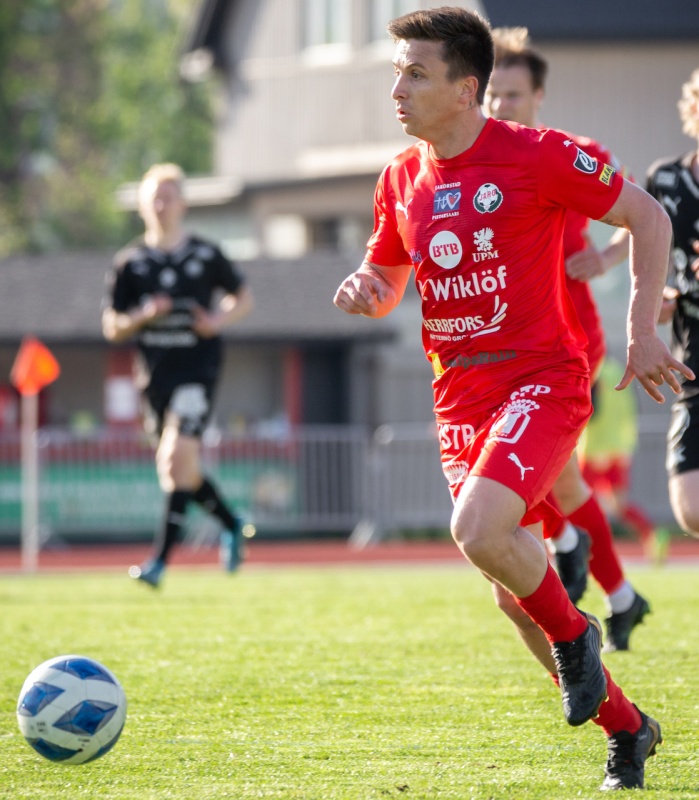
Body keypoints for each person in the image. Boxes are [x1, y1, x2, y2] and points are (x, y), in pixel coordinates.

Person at [334, 7, 691, 791]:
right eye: (396, 72)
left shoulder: (535, 154)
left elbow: (646, 214)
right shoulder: (399, 177)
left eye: (415, 73)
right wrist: (367, 289)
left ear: (466, 89)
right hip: (457, 400)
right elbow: (387, 277)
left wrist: (639, 330)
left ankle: (578, 633)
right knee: (511, 599)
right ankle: (628, 729)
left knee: (476, 529)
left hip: (542, 382)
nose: (397, 90)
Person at [485, 27, 650, 652]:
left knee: (548, 476)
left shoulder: (573, 152)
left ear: (539, 96)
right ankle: (621, 595)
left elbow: (642, 212)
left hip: (572, 342)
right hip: (508, 346)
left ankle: (573, 551)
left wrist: (604, 259)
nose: (501, 104)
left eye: (513, 93)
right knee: (563, 482)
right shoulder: (476, 161)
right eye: (493, 93)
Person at [102, 163, 254, 587]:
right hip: (155, 378)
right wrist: (142, 315)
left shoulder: (205, 254)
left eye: (168, 197)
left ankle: (159, 563)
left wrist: (216, 321)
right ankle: (231, 522)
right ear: (142, 206)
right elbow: (111, 326)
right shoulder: (130, 262)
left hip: (197, 372)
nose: (161, 205)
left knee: (174, 459)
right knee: (179, 471)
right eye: (154, 197)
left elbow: (243, 299)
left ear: (183, 204)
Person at [647, 69, 699, 539]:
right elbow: (645, 252)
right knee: (690, 509)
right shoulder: (665, 179)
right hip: (692, 363)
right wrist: (656, 298)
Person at [579, 357, 658, 557]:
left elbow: (590, 410)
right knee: (618, 506)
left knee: (576, 502)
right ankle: (651, 536)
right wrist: (627, 444)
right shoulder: (617, 370)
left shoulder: (588, 370)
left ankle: (584, 548)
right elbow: (630, 409)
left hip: (593, 448)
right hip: (618, 449)